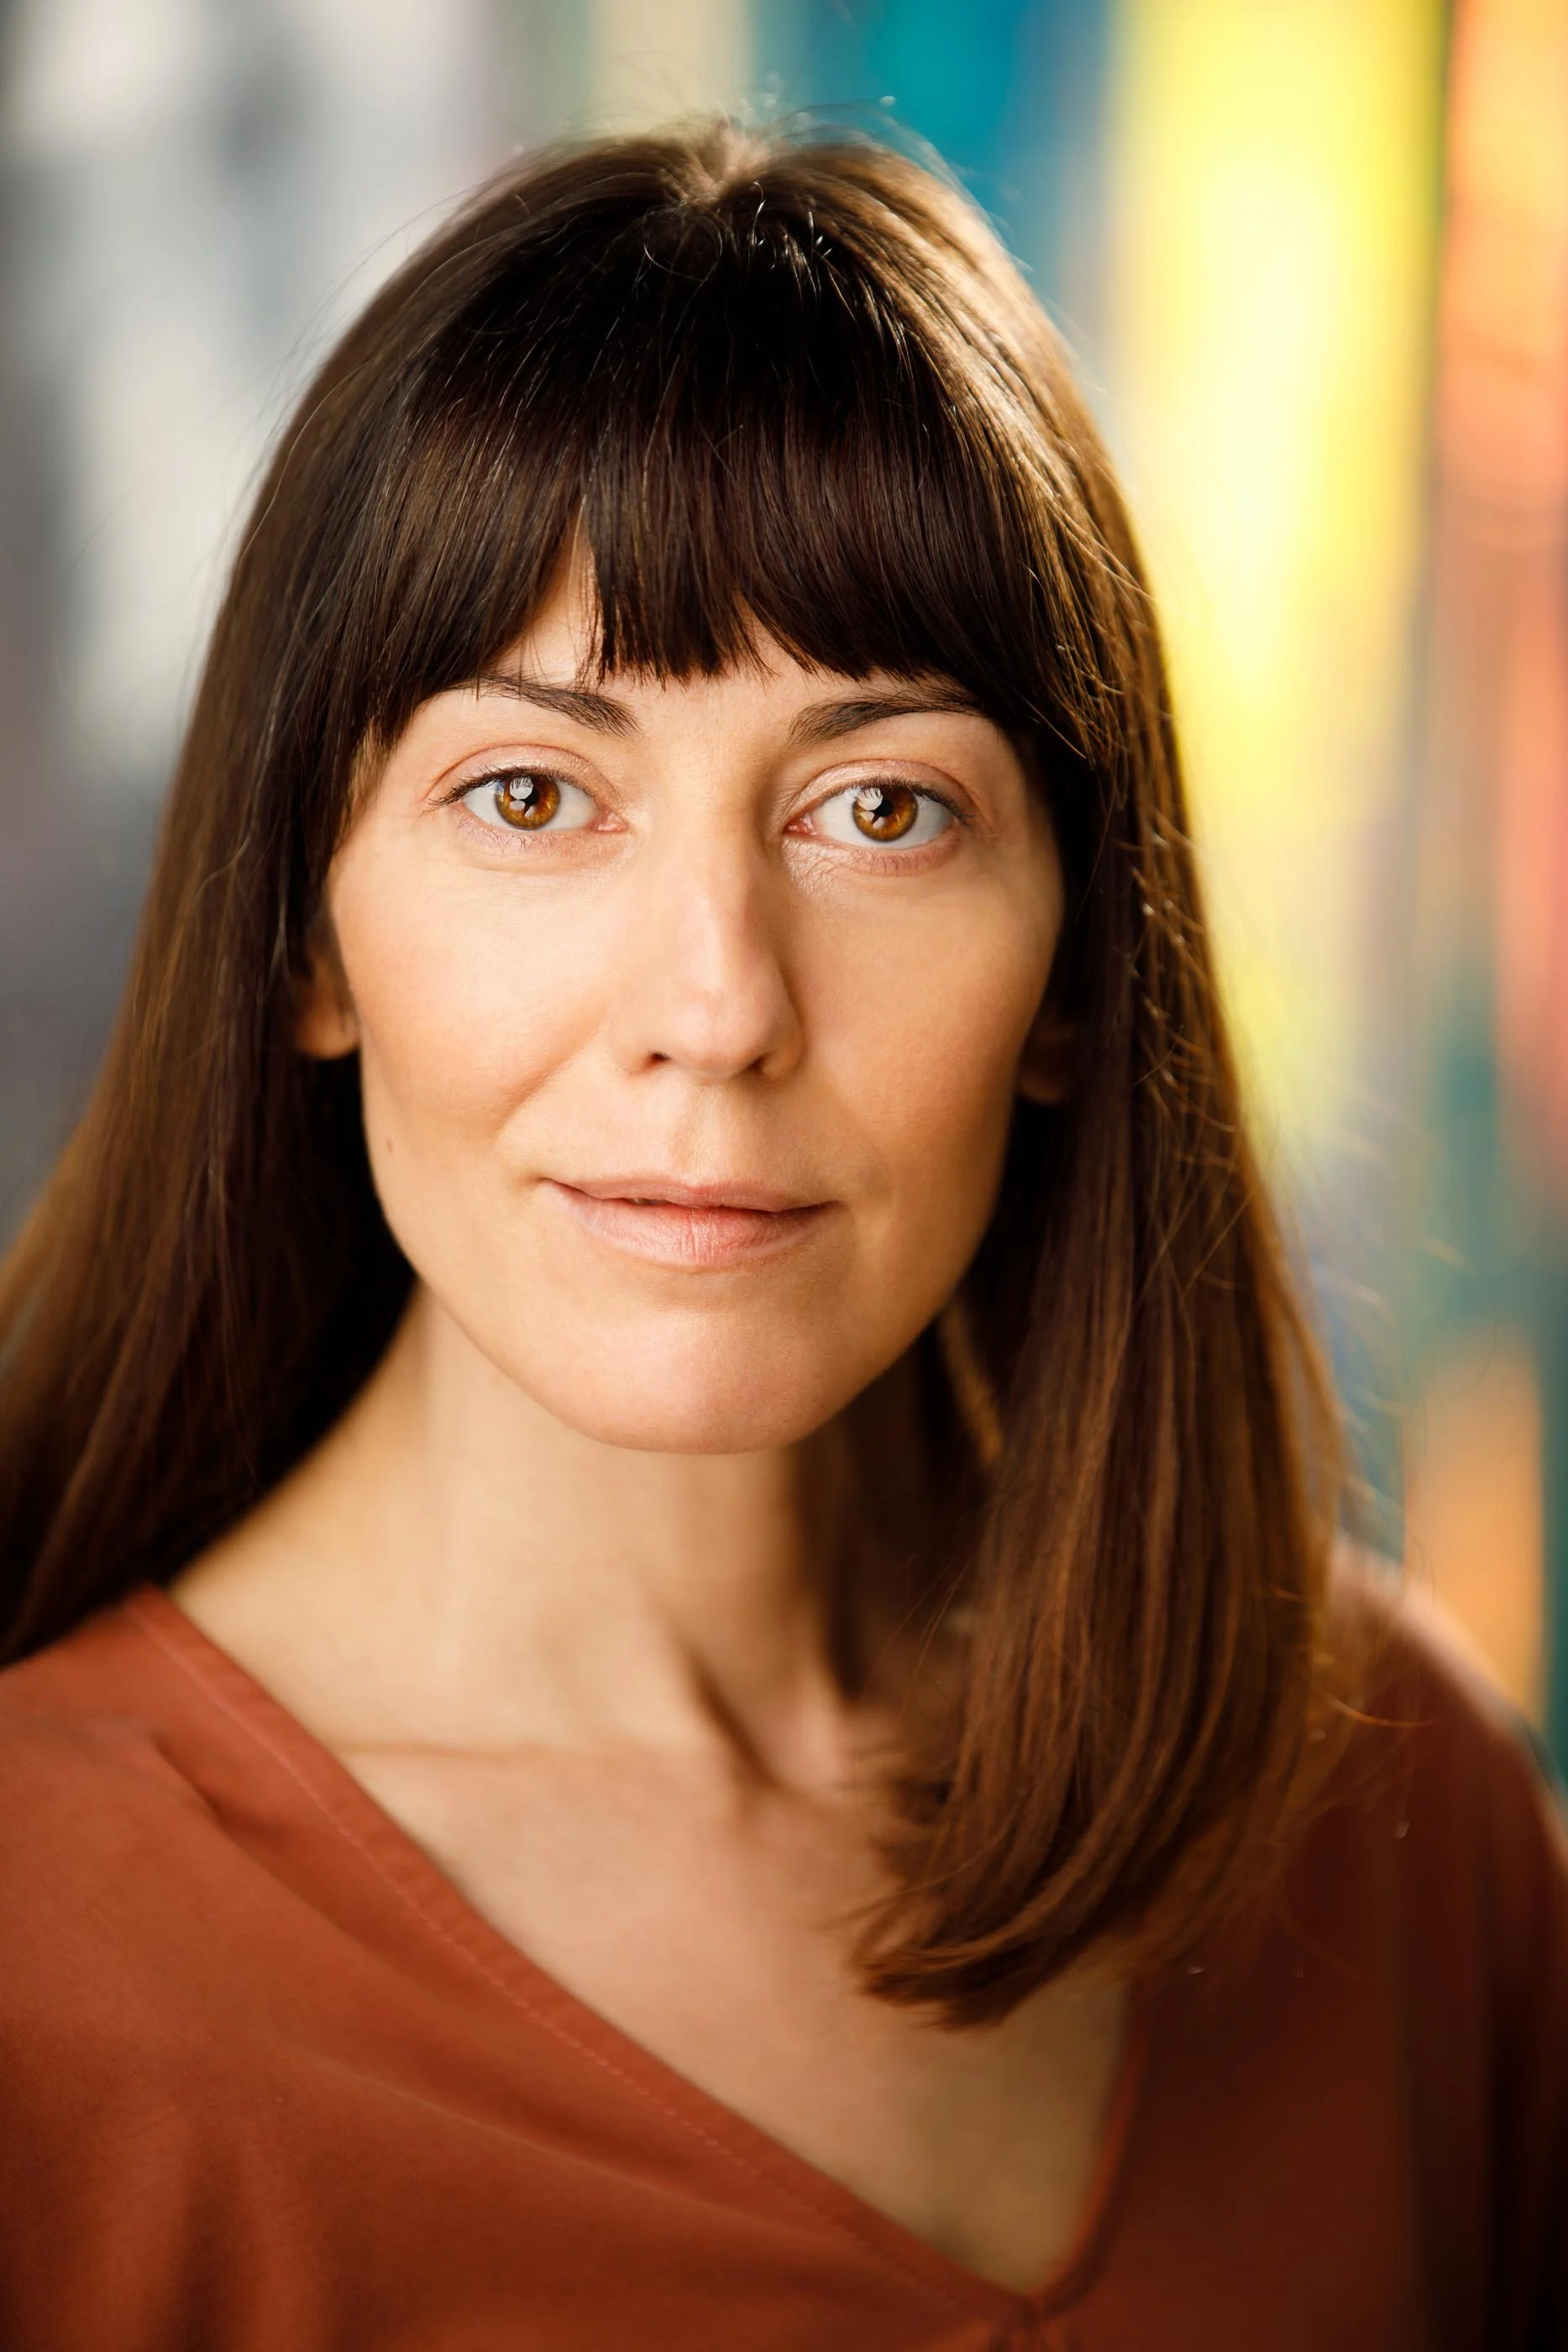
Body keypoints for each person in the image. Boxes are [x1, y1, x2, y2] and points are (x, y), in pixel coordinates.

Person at [0, 120, 1561, 2351]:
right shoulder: (38, 1972)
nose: (720, 1007)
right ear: (306, 942)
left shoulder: (1395, 1821)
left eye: (881, 810)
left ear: (1073, 974)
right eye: (533, 798)